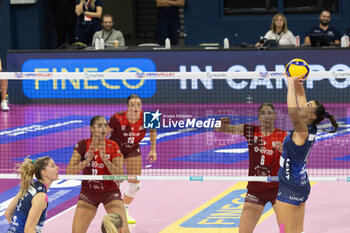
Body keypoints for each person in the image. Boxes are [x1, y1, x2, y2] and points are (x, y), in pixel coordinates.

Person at [274, 75, 338, 233]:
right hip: (301, 186)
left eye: (308, 105)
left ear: (312, 116)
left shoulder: (301, 129)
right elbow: (301, 97)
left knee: (285, 231)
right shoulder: (310, 128)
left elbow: (292, 112)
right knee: (297, 230)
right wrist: (298, 83)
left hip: (289, 187)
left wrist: (290, 84)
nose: (304, 104)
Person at [215, 103, 287, 233]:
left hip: (279, 190)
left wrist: (286, 152)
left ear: (275, 116)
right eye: (263, 113)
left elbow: (298, 159)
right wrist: (221, 123)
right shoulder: (251, 131)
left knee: (286, 230)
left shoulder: (284, 136)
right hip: (256, 191)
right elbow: (219, 129)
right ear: (259, 116)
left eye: (270, 113)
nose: (266, 116)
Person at [66, 115, 130, 233]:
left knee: (124, 231)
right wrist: (86, 161)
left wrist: (105, 160)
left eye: (105, 125)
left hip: (110, 192)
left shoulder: (113, 146)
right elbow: (69, 172)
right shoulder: (83, 145)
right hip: (88, 193)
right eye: (100, 126)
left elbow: (121, 178)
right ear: (92, 129)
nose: (104, 129)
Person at [108, 94, 157, 224]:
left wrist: (153, 150)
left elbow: (153, 131)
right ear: (128, 106)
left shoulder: (148, 117)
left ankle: (124, 210)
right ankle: (113, 212)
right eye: (133, 104)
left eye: (138, 104)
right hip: (115, 148)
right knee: (116, 179)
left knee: (135, 182)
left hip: (132, 148)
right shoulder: (117, 117)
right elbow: (104, 132)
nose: (136, 107)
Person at [5, 156, 59, 232]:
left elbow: (8, 213)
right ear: (44, 172)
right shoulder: (41, 196)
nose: (57, 168)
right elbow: (29, 230)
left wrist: (18, 230)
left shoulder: (28, 187)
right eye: (52, 166)